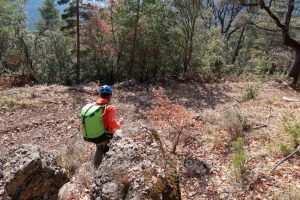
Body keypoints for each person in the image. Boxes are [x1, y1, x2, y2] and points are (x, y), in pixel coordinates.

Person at [93, 85, 123, 168]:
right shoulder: (110, 107)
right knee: (109, 150)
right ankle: (108, 169)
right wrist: (119, 123)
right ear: (110, 95)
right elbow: (112, 123)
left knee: (99, 148)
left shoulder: (95, 106)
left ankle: (95, 168)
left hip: (97, 133)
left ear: (100, 95)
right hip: (107, 135)